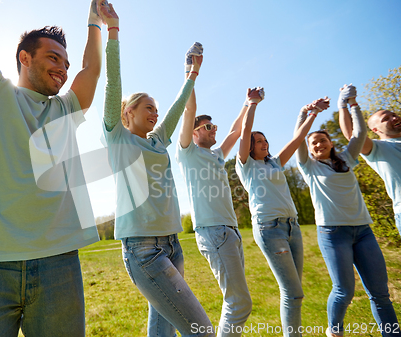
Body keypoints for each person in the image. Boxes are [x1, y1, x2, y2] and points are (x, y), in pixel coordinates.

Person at [0, 0, 106, 335]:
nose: (63, 68)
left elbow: (91, 70)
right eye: (53, 58)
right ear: (24, 58)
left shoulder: (66, 110)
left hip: (58, 262)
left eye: (65, 62)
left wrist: (95, 22)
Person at [100, 5, 214, 336]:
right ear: (128, 111)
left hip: (171, 244)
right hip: (143, 249)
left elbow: (178, 109)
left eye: (156, 110)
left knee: (162, 328)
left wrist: (191, 75)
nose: (155, 113)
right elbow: (113, 82)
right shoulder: (117, 138)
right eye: (148, 108)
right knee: (201, 330)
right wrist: (113, 32)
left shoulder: (157, 142)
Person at [296, 86, 399, 337]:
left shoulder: (347, 159)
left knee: (380, 292)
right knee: (344, 290)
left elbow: (359, 132)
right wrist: (304, 114)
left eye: (322, 139)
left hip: (363, 231)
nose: (318, 144)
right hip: (333, 233)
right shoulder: (309, 168)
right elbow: (298, 139)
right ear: (309, 150)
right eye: (313, 143)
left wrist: (352, 104)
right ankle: (335, 330)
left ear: (331, 142)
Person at [236, 88, 330, 337]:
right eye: (258, 141)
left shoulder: (275, 162)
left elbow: (298, 139)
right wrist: (252, 103)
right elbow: (245, 131)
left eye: (265, 140)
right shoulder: (246, 166)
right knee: (293, 292)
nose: (263, 143)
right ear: (249, 147)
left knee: (295, 291)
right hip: (270, 229)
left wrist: (314, 114)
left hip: (293, 228)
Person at [175, 66, 251, 336]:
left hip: (230, 232)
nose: (214, 129)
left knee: (238, 301)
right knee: (239, 302)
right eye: (208, 126)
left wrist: (247, 104)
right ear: (194, 132)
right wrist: (191, 72)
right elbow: (188, 111)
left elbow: (234, 131)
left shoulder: (217, 155)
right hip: (214, 232)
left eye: (213, 126)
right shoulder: (188, 152)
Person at [338, 84, 401, 236]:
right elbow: (353, 136)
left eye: (393, 114)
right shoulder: (379, 149)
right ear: (376, 130)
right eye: (386, 119)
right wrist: (346, 104)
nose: (394, 118)